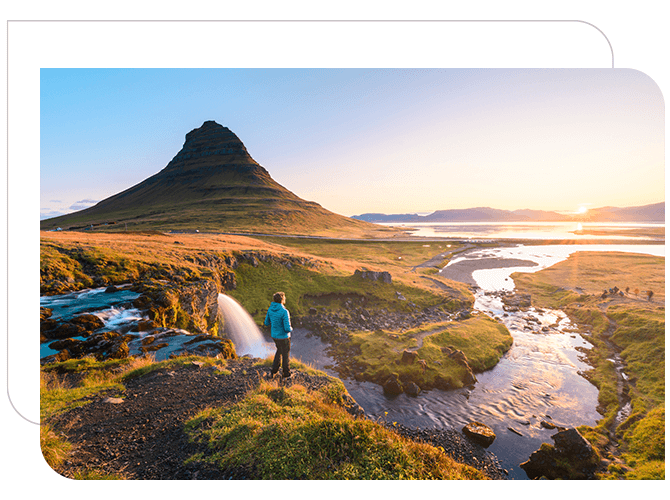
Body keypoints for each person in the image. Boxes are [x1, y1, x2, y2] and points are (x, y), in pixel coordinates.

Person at [264, 291, 293, 378]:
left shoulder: (270, 309)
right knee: (285, 355)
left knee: (279, 351)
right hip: (284, 337)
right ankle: (286, 374)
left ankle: (274, 370)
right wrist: (291, 329)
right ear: (282, 299)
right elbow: (287, 328)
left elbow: (266, 323)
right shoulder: (284, 311)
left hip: (274, 336)